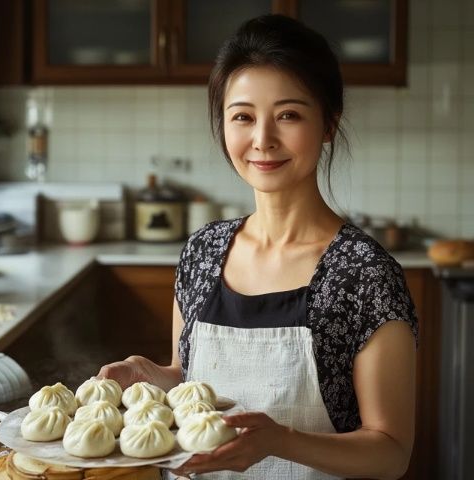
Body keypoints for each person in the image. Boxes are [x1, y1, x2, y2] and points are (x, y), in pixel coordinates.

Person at [97, 14, 418, 480]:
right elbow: (192, 385)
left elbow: (390, 452)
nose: (262, 140)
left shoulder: (364, 273)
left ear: (328, 123)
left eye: (288, 115)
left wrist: (279, 442)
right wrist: (149, 373)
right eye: (243, 117)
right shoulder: (202, 252)